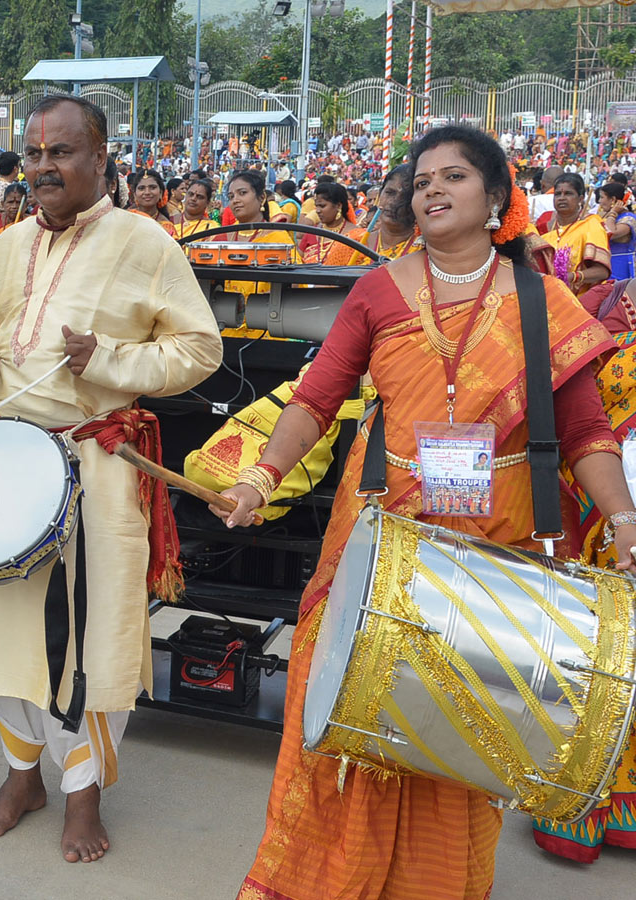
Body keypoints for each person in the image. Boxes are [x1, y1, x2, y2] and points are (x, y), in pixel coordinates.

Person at [214, 125, 636, 900]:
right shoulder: (379, 288)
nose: (431, 190)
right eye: (421, 180)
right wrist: (261, 477)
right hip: (378, 542)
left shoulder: (543, 299)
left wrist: (624, 518)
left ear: (497, 199)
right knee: (342, 713)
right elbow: (318, 397)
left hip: (491, 554)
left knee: (463, 729)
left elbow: (583, 430)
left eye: (454, 177)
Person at [0, 95, 223, 864]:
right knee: (2, 619)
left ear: (100, 158)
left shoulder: (144, 241)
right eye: (34, 152)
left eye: (62, 151)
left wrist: (104, 359)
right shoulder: (6, 243)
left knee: (92, 635)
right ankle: (21, 773)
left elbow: (198, 351)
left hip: (95, 462)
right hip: (5, 459)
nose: (42, 165)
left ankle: (83, 791)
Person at [536, 274, 636, 860]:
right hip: (607, 509)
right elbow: (578, 413)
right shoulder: (605, 304)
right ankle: (579, 807)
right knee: (600, 655)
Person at [220, 169, 297, 303]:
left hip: (264, 316)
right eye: (231, 196)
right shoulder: (225, 236)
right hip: (227, 318)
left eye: (242, 193)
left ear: (261, 198)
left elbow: (296, 282)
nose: (235, 200)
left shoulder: (278, 237)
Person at [537, 172, 610, 294]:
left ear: (580, 198)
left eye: (568, 193)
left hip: (580, 303)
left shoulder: (591, 225)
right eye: (558, 194)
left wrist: (571, 277)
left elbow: (602, 271)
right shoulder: (544, 229)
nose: (561, 198)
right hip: (547, 298)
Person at [348, 164, 423, 265]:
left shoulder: (426, 250)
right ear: (380, 195)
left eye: (406, 197)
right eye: (390, 192)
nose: (393, 202)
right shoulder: (351, 243)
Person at [298, 181, 367, 265]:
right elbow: (298, 262)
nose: (318, 211)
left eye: (322, 206)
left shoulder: (357, 236)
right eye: (317, 206)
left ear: (338, 206)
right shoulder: (312, 232)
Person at [599, 181, 636, 279]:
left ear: (613, 200)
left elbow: (611, 233)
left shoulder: (629, 218)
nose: (599, 201)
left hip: (621, 268)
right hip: (607, 265)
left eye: (602, 197)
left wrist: (613, 212)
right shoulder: (606, 216)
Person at [127, 168, 174, 233]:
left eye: (152, 187)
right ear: (134, 194)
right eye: (141, 188)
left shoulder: (166, 227)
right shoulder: (126, 218)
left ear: (161, 193)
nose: (147, 192)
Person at [170, 178, 215, 242]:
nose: (193, 199)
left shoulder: (211, 228)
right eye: (190, 194)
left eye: (199, 197)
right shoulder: (169, 222)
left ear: (207, 202)